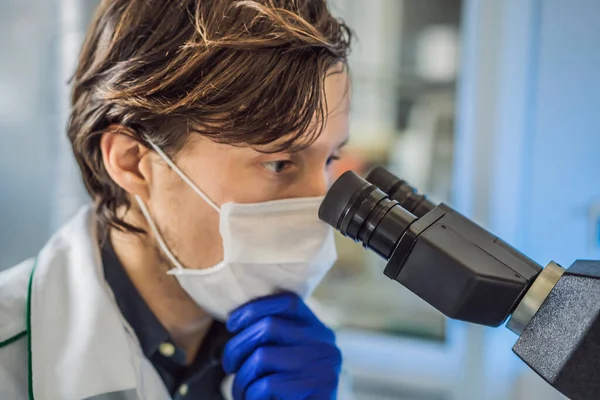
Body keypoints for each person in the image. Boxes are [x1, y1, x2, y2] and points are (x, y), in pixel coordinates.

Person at [0, 0, 353, 399]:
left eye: (329, 160)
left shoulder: (300, 359)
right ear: (133, 161)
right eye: (278, 164)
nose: (322, 209)